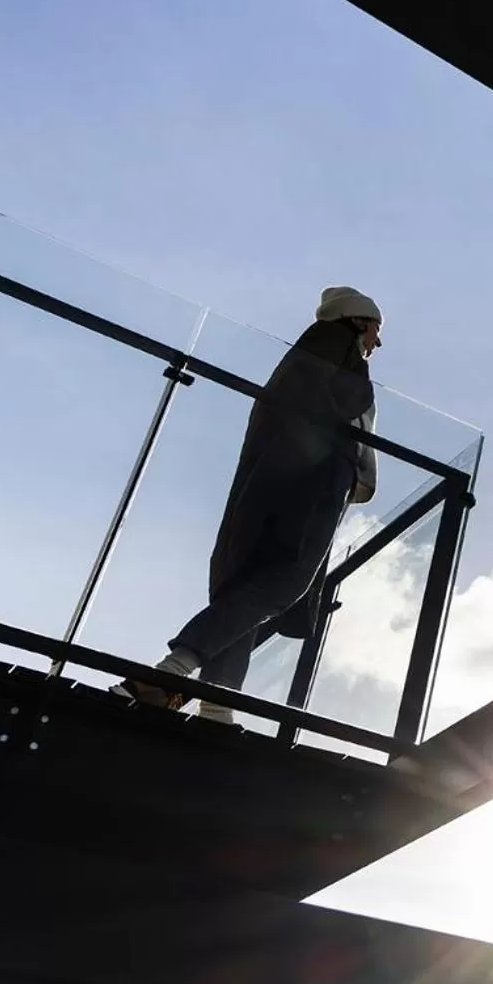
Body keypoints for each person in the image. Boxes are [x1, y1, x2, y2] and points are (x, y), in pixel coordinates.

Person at [114, 287, 382, 722]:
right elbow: (343, 410)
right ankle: (173, 671)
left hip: (283, 486)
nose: (377, 341)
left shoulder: (309, 358)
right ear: (354, 320)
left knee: (250, 590)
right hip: (311, 488)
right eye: (374, 328)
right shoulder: (333, 350)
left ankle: (217, 704)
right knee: (285, 582)